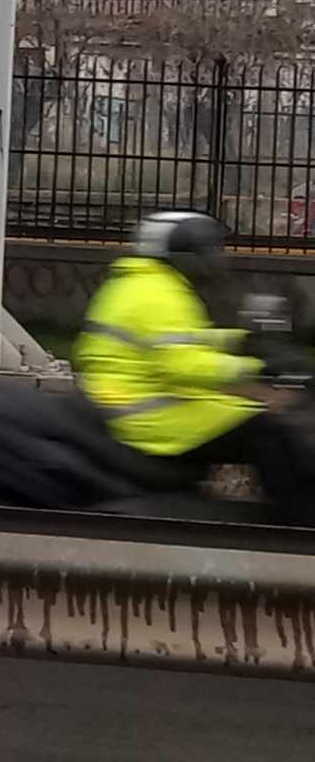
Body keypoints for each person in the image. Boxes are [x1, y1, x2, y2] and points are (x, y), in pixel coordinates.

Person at [74, 210, 313, 525]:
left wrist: (243, 341)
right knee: (267, 428)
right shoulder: (156, 294)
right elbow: (182, 364)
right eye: (208, 251)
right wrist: (255, 368)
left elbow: (184, 341)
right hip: (145, 417)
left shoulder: (145, 283)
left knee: (253, 411)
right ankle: (300, 520)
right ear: (184, 254)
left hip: (138, 399)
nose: (215, 260)